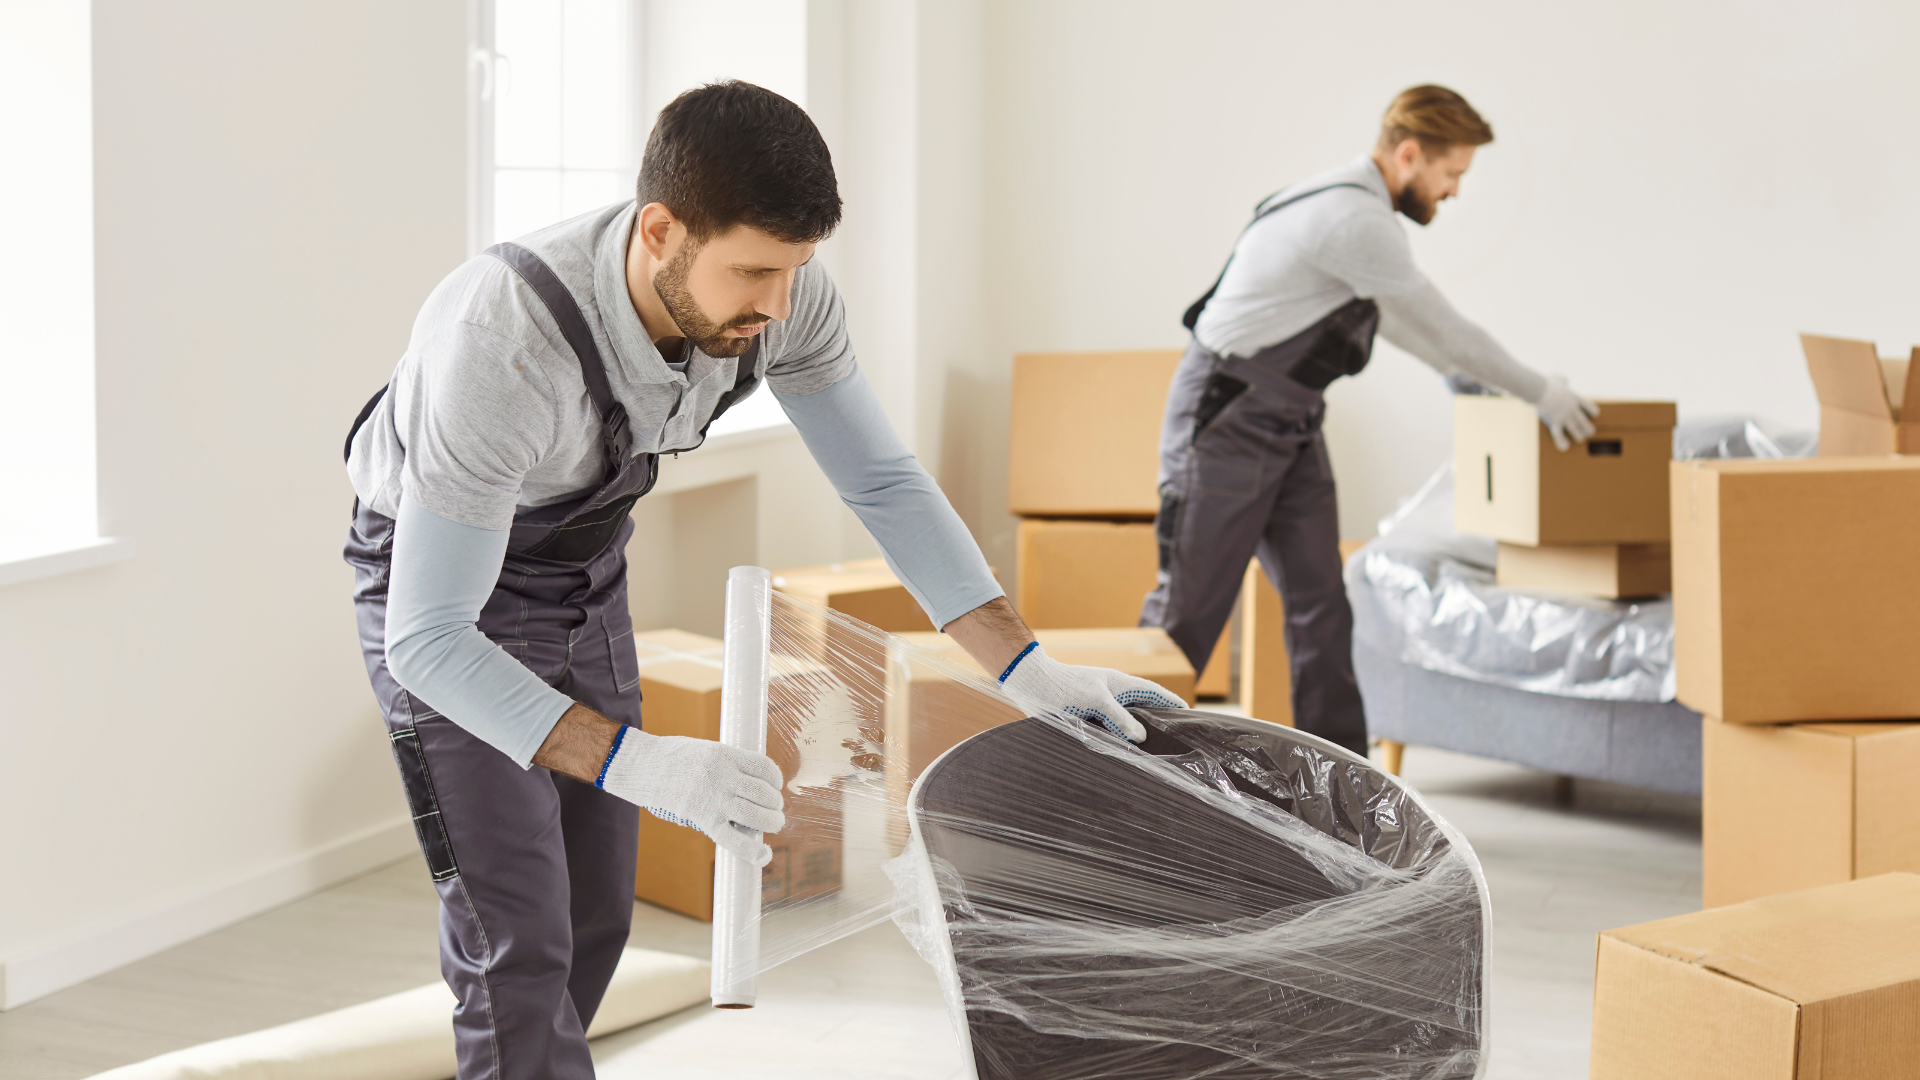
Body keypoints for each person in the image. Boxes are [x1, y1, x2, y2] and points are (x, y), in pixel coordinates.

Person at [341, 81, 1183, 1080]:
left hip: (583, 568)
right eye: (752, 273)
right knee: (516, 941)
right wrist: (643, 763)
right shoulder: (502, 341)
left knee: (597, 912)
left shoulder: (783, 297)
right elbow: (428, 639)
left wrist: (1028, 667)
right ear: (661, 232)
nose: (778, 306)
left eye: (797, 270)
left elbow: (881, 479)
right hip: (440, 595)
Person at [1140, 84, 1598, 758]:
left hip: (1290, 424)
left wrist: (1458, 378)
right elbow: (1446, 326)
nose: (1454, 193)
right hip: (1226, 420)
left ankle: (1343, 793)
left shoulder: (1351, 206)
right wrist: (1541, 394)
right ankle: (1109, 778)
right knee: (1188, 615)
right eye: (1452, 174)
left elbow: (1391, 316)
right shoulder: (1354, 219)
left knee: (1322, 607)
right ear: (1410, 155)